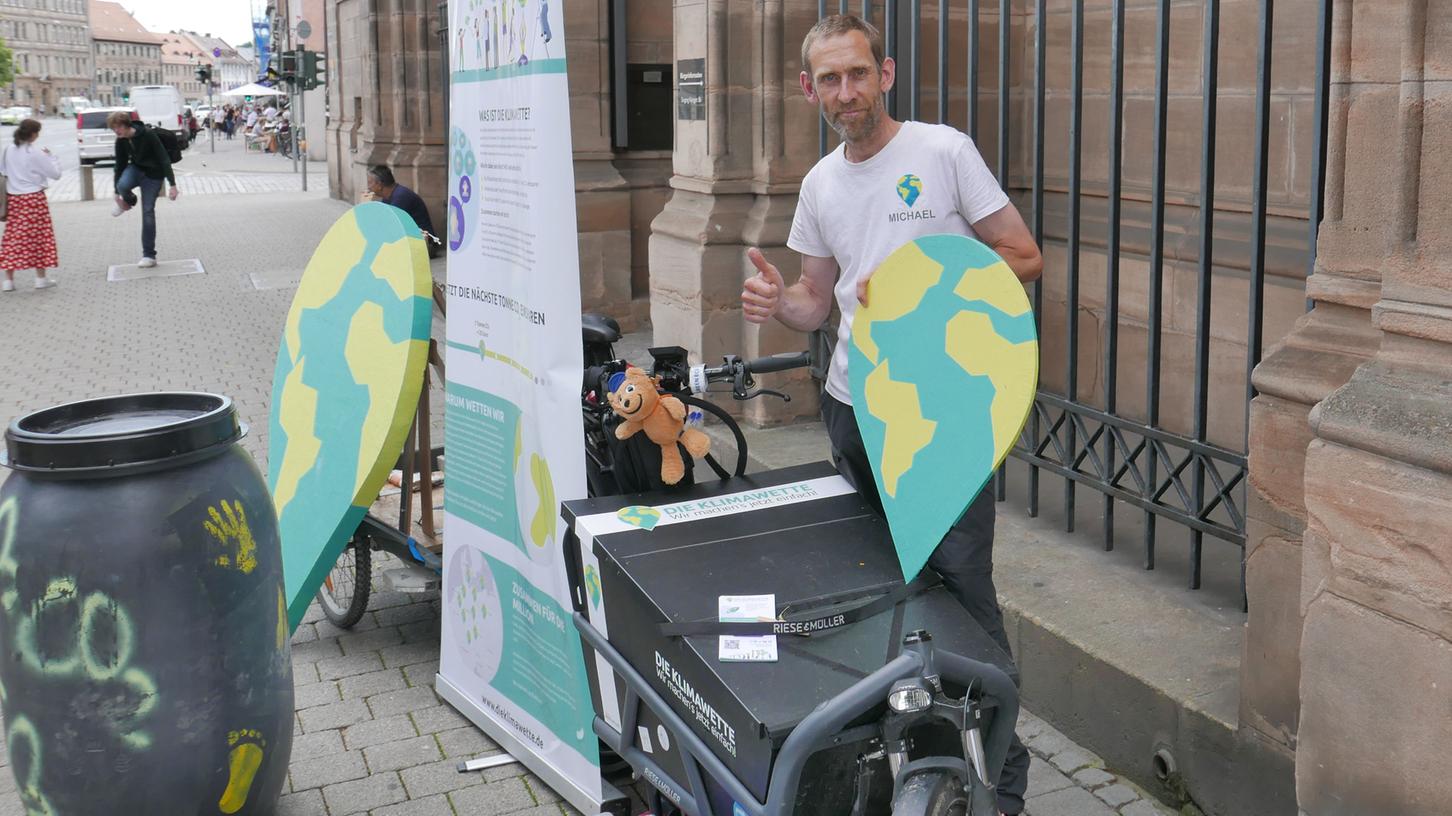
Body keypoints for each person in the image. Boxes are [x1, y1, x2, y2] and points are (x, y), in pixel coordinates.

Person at [740, 15, 1043, 815]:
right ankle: (907, 755)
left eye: (859, 74)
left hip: (941, 419)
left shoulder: (942, 152)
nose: (847, 92)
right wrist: (780, 305)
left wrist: (926, 283)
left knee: (964, 593)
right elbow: (817, 300)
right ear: (810, 89)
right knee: (885, 592)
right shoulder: (819, 185)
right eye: (830, 79)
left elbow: (1024, 258)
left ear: (887, 73)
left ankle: (1003, 785)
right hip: (852, 410)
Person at [108, 111, 180, 269]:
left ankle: (149, 255)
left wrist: (172, 185)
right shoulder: (121, 140)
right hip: (136, 169)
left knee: (147, 212)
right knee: (122, 184)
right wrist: (117, 193)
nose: (117, 131)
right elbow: (119, 166)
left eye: (118, 127)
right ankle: (128, 202)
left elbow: (163, 158)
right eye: (114, 129)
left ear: (127, 125)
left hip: (154, 176)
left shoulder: (147, 135)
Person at [0, 119, 62, 291]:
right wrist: (52, 157)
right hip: (34, 199)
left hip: (14, 199)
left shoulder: (8, 150)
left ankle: (8, 281)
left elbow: (3, 172)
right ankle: (40, 278)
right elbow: (55, 174)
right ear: (33, 134)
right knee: (39, 238)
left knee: (13, 238)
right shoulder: (35, 153)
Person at [364, 165, 440, 257]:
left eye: (370, 183)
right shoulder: (388, 196)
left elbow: (390, 226)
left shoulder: (401, 197)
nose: (368, 187)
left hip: (425, 245)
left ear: (379, 185)